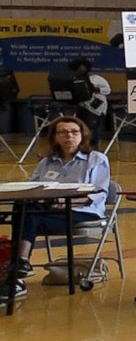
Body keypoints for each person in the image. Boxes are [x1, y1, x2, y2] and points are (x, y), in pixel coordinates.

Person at [5, 115, 112, 299]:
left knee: (29, 216)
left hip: (82, 212)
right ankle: (18, 268)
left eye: (74, 132)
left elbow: (97, 195)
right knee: (23, 207)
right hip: (50, 210)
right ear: (55, 137)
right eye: (62, 132)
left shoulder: (96, 159)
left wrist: (65, 201)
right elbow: (32, 188)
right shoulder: (46, 162)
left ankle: (18, 268)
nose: (69, 136)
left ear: (82, 135)